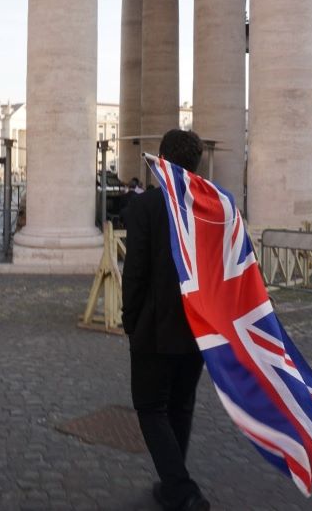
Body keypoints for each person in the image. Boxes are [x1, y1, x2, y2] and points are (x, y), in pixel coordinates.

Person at [122, 129, 210, 511]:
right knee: (182, 405)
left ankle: (181, 488)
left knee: (150, 407)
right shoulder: (214, 208)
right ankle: (173, 484)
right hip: (201, 327)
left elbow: (135, 272)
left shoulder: (146, 207)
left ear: (161, 161)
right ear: (196, 164)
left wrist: (129, 322)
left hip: (156, 327)